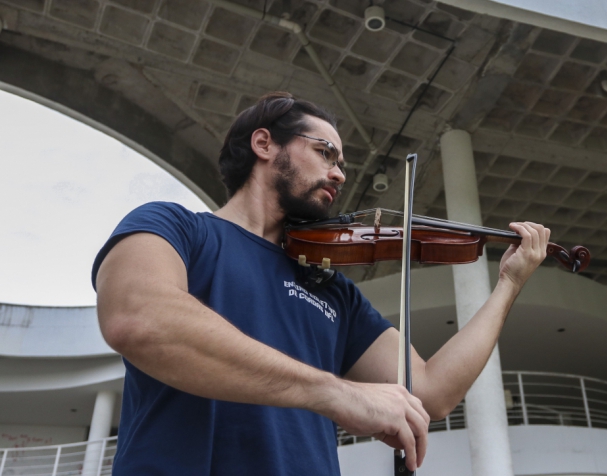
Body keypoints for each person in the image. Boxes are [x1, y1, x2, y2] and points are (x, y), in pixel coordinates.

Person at [93, 91, 550, 475]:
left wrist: (507, 285)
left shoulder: (332, 290)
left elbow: (430, 393)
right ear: (264, 144)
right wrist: (339, 394)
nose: (340, 173)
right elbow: (139, 318)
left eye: (341, 163)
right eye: (325, 153)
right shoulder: (174, 227)